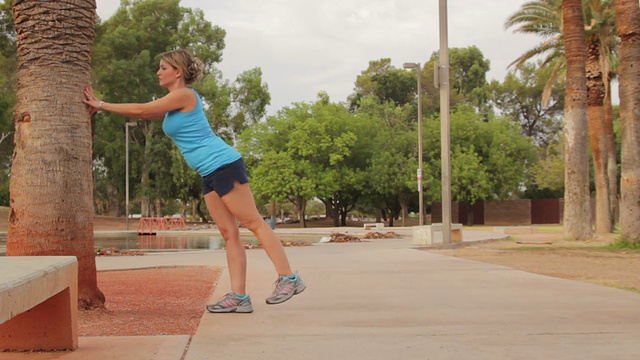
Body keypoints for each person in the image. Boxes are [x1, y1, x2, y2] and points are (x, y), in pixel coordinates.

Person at [83, 49, 305, 314]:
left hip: (223, 164)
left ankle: (289, 278)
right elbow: (148, 112)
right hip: (208, 172)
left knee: (254, 223)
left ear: (177, 72)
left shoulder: (185, 95)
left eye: (163, 67)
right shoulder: (172, 102)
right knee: (228, 233)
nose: (158, 72)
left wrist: (102, 104)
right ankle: (239, 296)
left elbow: (142, 110)